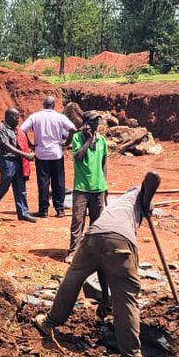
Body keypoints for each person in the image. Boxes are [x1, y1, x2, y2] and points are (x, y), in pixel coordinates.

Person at [34, 172, 159, 357]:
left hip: (94, 236)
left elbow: (103, 265)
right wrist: (147, 200)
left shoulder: (118, 206)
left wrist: (105, 299)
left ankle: (50, 322)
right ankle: (132, 355)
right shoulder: (137, 194)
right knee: (127, 295)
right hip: (120, 242)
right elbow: (153, 177)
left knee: (73, 278)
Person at [22, 96, 78, 218]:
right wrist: (67, 143)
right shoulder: (60, 117)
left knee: (43, 182)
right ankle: (60, 209)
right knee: (59, 181)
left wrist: (30, 144)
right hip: (56, 153)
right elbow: (73, 129)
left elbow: (22, 130)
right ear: (54, 105)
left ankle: (43, 210)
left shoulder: (35, 117)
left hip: (41, 153)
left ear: (43, 104)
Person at [67, 112, 108, 263]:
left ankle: (93, 252)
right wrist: (88, 140)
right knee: (78, 221)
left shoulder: (102, 141)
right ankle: (73, 251)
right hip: (82, 187)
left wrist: (105, 185)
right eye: (93, 121)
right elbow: (78, 156)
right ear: (86, 123)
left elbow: (104, 164)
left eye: (98, 121)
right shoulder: (77, 138)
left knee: (97, 223)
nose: (96, 124)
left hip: (98, 187)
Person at [0, 108, 36, 222]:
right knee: (4, 186)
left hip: (18, 160)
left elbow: (23, 143)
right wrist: (24, 154)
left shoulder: (17, 129)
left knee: (20, 187)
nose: (18, 120)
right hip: (6, 161)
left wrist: (31, 150)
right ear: (9, 118)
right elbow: (6, 145)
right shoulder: (1, 129)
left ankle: (23, 213)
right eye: (16, 117)